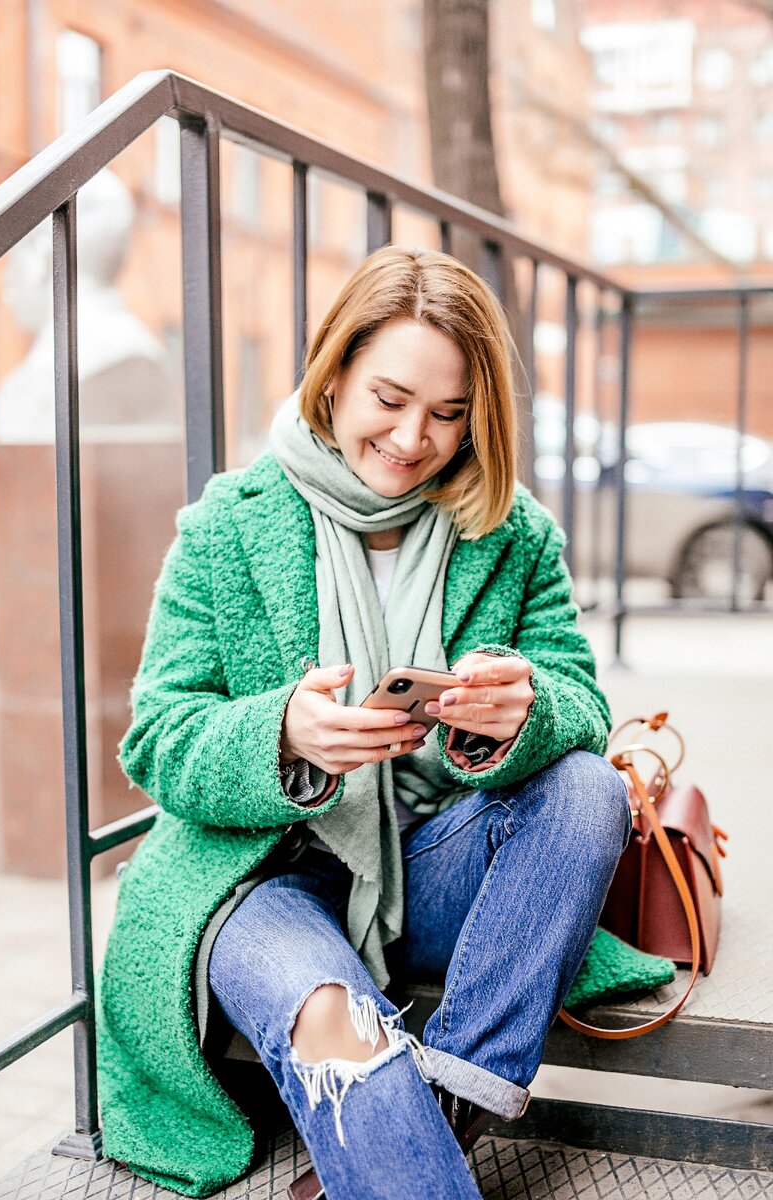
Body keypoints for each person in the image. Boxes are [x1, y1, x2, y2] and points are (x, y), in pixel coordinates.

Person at [96, 245, 639, 1200]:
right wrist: (284, 736)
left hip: (435, 865)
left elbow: (582, 705)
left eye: (447, 413)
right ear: (335, 370)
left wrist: (524, 711)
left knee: (588, 788)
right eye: (389, 398)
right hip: (263, 875)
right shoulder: (228, 524)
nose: (412, 438)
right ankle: (418, 1131)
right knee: (343, 1039)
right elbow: (158, 737)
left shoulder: (513, 534)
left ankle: (458, 1093)